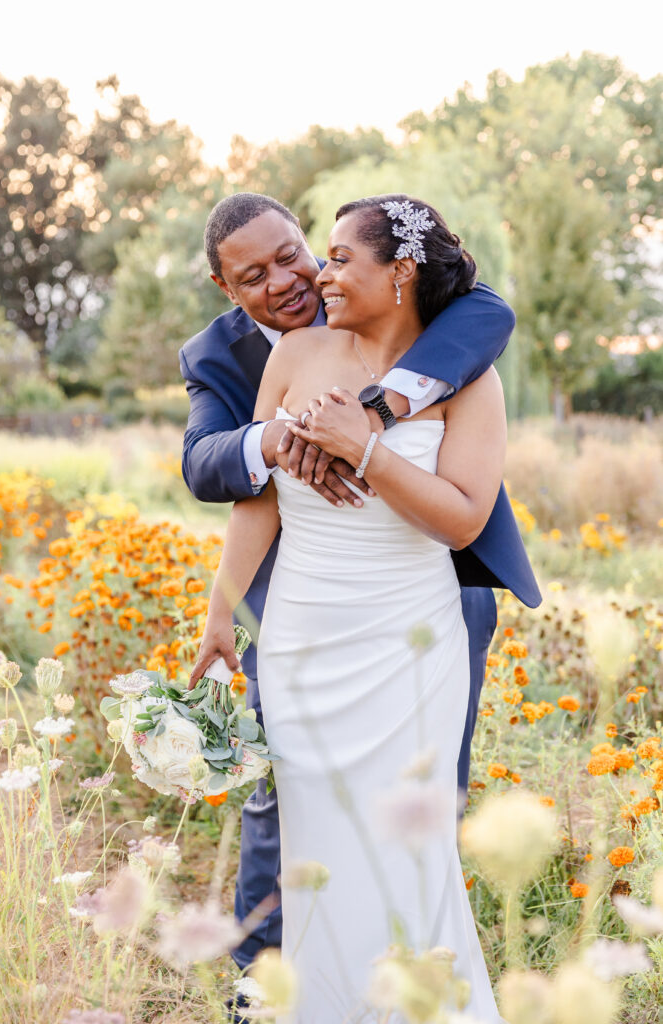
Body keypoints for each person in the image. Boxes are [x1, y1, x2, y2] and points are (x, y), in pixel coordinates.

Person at [179, 192, 541, 975]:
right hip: (303, 622)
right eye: (254, 274)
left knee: (415, 813)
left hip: (419, 616)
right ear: (225, 288)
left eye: (302, 255)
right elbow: (234, 487)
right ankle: (271, 986)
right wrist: (223, 614)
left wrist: (367, 431)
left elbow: (462, 516)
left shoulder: (460, 351)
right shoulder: (263, 357)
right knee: (294, 815)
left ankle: (414, 976)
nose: (297, 278)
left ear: (400, 273)